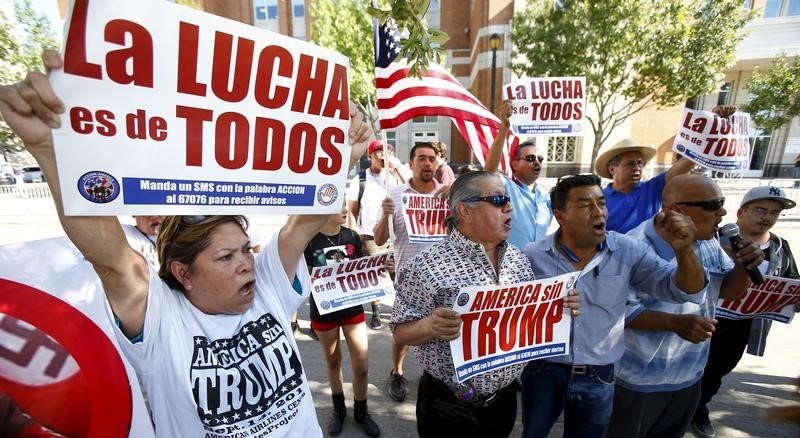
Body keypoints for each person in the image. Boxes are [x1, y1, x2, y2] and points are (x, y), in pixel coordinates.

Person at [0, 51, 371, 437]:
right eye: (226, 256)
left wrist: (339, 159)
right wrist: (50, 148)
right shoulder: (161, 319)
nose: (247, 263)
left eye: (245, 248)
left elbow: (303, 223)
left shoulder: (267, 286)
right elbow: (112, 260)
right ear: (183, 273)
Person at [390, 171, 580, 437]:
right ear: (465, 211)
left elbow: (526, 319)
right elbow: (400, 331)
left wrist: (559, 306)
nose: (509, 206)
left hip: (503, 402)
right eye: (498, 199)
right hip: (446, 406)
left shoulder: (518, 259)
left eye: (508, 199)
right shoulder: (423, 266)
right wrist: (430, 326)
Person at [521, 174, 709, 438]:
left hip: (599, 376)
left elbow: (683, 291)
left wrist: (684, 250)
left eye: (601, 203)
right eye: (585, 206)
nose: (598, 212)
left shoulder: (628, 250)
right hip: (544, 371)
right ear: (560, 215)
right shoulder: (532, 255)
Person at [607, 174, 763, 438]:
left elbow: (726, 292)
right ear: (677, 210)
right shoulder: (634, 247)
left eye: (722, 202)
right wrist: (674, 323)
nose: (722, 211)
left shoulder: (707, 241)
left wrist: (745, 267)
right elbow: (619, 313)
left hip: (690, 376)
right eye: (712, 204)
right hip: (639, 381)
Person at [692, 186, 798, 437]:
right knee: (694, 368)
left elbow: (791, 280)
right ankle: (690, 410)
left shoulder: (781, 246)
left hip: (743, 324)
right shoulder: (713, 239)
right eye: (760, 210)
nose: (766, 217)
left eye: (774, 212)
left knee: (720, 369)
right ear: (741, 212)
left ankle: (700, 406)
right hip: (706, 318)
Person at [373, 142, 443, 403]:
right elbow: (380, 240)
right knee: (402, 331)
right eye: (422, 159)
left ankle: (436, 375)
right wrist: (385, 216)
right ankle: (398, 371)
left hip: (442, 280)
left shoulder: (447, 195)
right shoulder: (396, 195)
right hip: (407, 280)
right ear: (410, 164)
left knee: (440, 331)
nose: (427, 163)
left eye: (431, 159)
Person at [596, 105, 737, 234]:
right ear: (612, 169)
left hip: (649, 259)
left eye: (640, 163)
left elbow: (687, 162)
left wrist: (711, 125)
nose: (637, 168)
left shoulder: (652, 188)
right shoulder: (598, 198)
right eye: (631, 164)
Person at [304, 207, 380, 437]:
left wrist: (379, 269)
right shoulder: (310, 239)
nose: (346, 210)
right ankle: (339, 411)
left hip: (352, 307)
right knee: (333, 361)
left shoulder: (351, 236)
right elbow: (304, 275)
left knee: (362, 365)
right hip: (324, 310)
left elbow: (362, 268)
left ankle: (361, 411)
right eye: (340, 206)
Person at [346, 139, 403, 330]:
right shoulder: (360, 180)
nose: (383, 155)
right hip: (370, 236)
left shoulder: (394, 178)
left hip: (395, 235)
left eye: (387, 151)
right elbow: (352, 211)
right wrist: (354, 236)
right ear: (370, 155)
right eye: (379, 151)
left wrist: (397, 168)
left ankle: (400, 310)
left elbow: (412, 189)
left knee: (397, 274)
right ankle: (376, 311)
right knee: (376, 276)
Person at [484, 101, 552, 248]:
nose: (537, 162)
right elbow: (488, 173)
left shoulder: (545, 198)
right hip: (510, 267)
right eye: (530, 158)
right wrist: (504, 129)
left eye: (540, 159)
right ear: (515, 164)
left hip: (538, 268)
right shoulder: (507, 188)